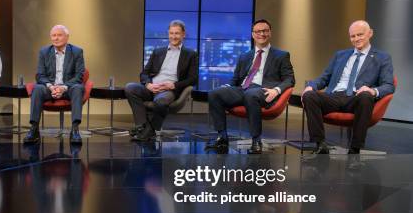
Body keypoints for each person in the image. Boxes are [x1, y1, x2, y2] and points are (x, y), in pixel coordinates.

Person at [302, 20, 395, 154]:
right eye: (353, 36)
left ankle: (355, 148)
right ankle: (320, 144)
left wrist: (373, 91)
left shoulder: (382, 57)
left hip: (357, 97)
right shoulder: (340, 55)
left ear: (370, 33)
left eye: (360, 35)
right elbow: (325, 77)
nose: (356, 39)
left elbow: (389, 85)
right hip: (334, 96)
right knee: (309, 95)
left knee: (366, 97)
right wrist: (311, 86)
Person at [205, 19, 295, 154]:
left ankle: (256, 140)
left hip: (263, 91)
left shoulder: (281, 55)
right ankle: (222, 137)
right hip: (243, 89)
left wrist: (276, 91)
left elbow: (290, 79)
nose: (261, 34)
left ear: (270, 33)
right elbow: (235, 80)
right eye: (258, 31)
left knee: (251, 94)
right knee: (214, 93)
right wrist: (228, 86)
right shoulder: (244, 56)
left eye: (265, 31)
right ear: (253, 34)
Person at [124, 20, 198, 141]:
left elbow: (193, 79)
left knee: (162, 101)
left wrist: (173, 85)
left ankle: (150, 130)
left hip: (168, 90)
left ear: (183, 34)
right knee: (129, 87)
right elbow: (144, 73)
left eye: (177, 33)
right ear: (168, 34)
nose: (174, 36)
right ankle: (142, 126)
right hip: (152, 87)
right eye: (171, 33)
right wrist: (148, 85)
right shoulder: (158, 52)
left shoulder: (190, 54)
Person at [24, 25, 86, 144]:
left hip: (68, 88)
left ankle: (75, 129)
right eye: (53, 35)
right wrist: (51, 86)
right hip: (50, 88)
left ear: (67, 37)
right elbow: (40, 75)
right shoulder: (44, 52)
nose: (56, 38)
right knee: (37, 88)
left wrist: (63, 87)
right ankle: (34, 128)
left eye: (59, 35)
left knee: (78, 88)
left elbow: (79, 76)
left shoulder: (77, 52)